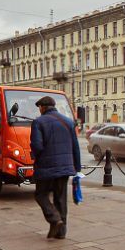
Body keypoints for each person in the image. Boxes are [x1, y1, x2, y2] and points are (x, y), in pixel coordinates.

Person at [29, 96, 80, 239]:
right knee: (60, 198)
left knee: (40, 195)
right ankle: (61, 232)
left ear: (43, 107)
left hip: (46, 167)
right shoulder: (68, 122)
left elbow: (37, 146)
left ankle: (54, 218)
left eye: (39, 107)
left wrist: (33, 154)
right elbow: (75, 146)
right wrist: (77, 167)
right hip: (65, 167)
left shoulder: (38, 122)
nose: (39, 110)